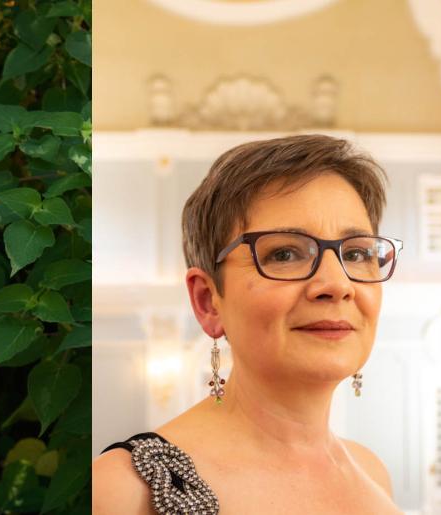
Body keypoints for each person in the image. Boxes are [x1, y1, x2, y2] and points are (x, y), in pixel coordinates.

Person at [93, 134, 404, 514]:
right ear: (208, 301)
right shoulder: (125, 490)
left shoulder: (372, 471)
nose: (337, 285)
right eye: (285, 253)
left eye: (356, 253)